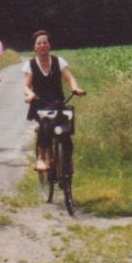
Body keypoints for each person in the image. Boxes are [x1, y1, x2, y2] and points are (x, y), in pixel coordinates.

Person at [22, 30, 85, 171]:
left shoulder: (58, 61)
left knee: (66, 132)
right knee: (44, 127)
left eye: (45, 42)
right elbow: (26, 86)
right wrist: (30, 94)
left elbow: (69, 78)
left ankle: (67, 161)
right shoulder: (30, 65)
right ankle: (41, 158)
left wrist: (75, 88)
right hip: (39, 104)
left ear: (49, 45)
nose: (43, 45)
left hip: (57, 102)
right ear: (35, 47)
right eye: (39, 43)